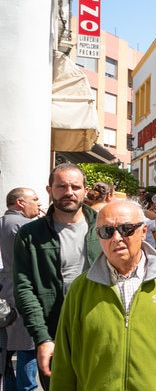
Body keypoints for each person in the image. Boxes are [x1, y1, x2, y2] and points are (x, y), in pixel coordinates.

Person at [50, 201, 156, 390]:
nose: (117, 238)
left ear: (144, 231)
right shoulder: (81, 289)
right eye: (107, 231)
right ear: (98, 236)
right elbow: (63, 364)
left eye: (126, 229)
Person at [12, 163, 101, 390]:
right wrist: (42, 338)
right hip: (55, 333)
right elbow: (24, 288)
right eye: (61, 186)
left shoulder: (105, 228)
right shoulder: (30, 235)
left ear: (85, 190)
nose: (69, 192)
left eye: (75, 186)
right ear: (49, 189)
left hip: (99, 331)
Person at [1, 187, 42, 391]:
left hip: (6, 291)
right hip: (24, 292)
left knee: (7, 355)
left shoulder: (3, 222)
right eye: (34, 199)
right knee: (28, 347)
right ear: (20, 203)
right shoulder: (25, 225)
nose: (39, 203)